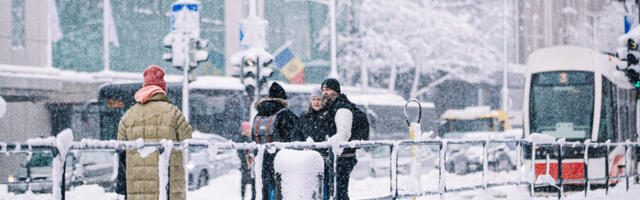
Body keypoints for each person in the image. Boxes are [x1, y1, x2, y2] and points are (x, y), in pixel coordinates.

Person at [117, 65, 192, 200]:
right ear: (162, 89)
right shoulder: (173, 112)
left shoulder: (128, 115)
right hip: (168, 186)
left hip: (137, 188)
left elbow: (121, 147)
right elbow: (187, 139)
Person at [319, 78, 369, 200]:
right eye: (323, 90)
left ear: (336, 92)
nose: (325, 93)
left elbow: (344, 134)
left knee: (339, 193)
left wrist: (332, 152)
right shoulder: (331, 107)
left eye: (328, 89)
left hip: (341, 158)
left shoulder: (342, 108)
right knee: (336, 192)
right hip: (338, 158)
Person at [252, 82, 301, 200]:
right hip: (281, 159)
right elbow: (295, 136)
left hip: (261, 159)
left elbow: (253, 137)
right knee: (281, 189)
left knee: (263, 189)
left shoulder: (259, 114)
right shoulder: (286, 114)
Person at [237, 121, 256, 200]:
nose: (250, 130)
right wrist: (247, 158)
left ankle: (252, 197)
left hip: (250, 164)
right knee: (246, 182)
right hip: (246, 165)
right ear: (244, 130)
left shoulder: (250, 139)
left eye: (250, 129)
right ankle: (243, 197)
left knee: (252, 182)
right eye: (248, 129)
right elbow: (240, 153)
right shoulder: (241, 139)